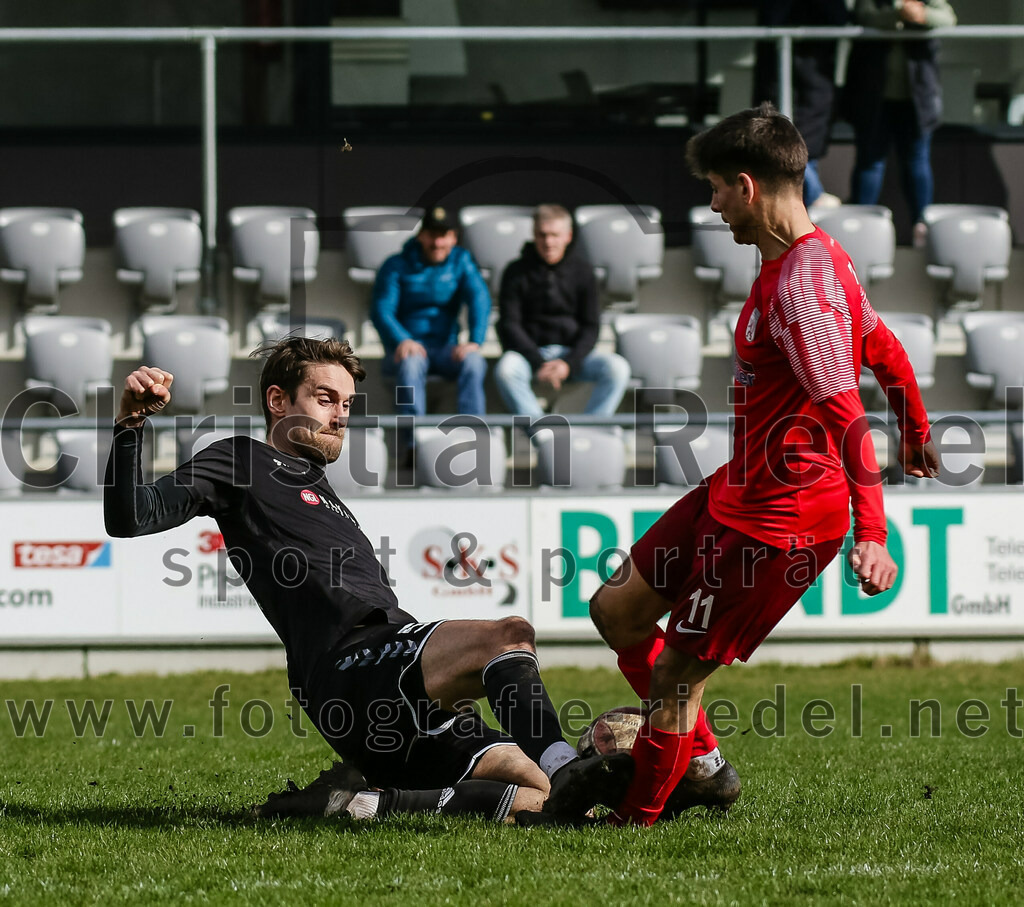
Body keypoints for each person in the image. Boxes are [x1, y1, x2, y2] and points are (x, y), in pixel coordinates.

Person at [104, 337, 633, 824]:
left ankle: (365, 802)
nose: (340, 416)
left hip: (388, 690)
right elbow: (130, 518)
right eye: (326, 398)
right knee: (508, 635)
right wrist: (130, 426)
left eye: (348, 404)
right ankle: (568, 767)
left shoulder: (324, 493)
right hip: (352, 665)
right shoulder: (241, 459)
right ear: (278, 401)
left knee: (540, 793)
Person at [588, 103, 940, 826]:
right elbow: (886, 349)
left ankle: (639, 818)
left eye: (716, 188)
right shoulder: (812, 259)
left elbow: (846, 416)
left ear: (748, 186)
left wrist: (873, 530)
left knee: (673, 673)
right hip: (736, 490)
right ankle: (706, 765)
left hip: (781, 524)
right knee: (616, 611)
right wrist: (917, 428)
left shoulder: (802, 289)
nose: (712, 205)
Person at [494, 204, 631, 418]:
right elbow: (510, 324)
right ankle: (541, 431)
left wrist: (569, 363)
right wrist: (538, 362)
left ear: (568, 236)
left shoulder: (583, 271)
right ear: (534, 234)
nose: (548, 242)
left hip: (570, 355)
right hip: (529, 356)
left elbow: (591, 326)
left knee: (617, 368)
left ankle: (593, 429)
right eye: (542, 235)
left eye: (555, 235)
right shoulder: (515, 271)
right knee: (506, 370)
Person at [845, 0, 957, 245]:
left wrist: (922, 14)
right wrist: (898, 12)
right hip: (873, 96)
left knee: (917, 161)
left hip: (917, 97)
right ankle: (858, 229)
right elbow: (863, 15)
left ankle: (921, 225)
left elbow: (948, 18)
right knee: (870, 161)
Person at [370, 206, 491, 422]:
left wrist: (475, 341)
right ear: (421, 235)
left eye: (443, 236)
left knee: (474, 361)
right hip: (405, 350)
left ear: (454, 237)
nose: (437, 243)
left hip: (446, 348)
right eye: (432, 235)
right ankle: (411, 442)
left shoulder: (461, 261)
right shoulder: (396, 265)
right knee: (410, 364)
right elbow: (381, 310)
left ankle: (473, 432)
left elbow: (479, 298)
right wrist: (402, 340)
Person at [755, 0, 849, 208]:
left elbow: (838, 17)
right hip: (781, 67)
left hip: (815, 68)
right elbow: (772, 18)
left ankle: (810, 200)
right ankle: (813, 196)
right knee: (779, 138)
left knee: (804, 142)